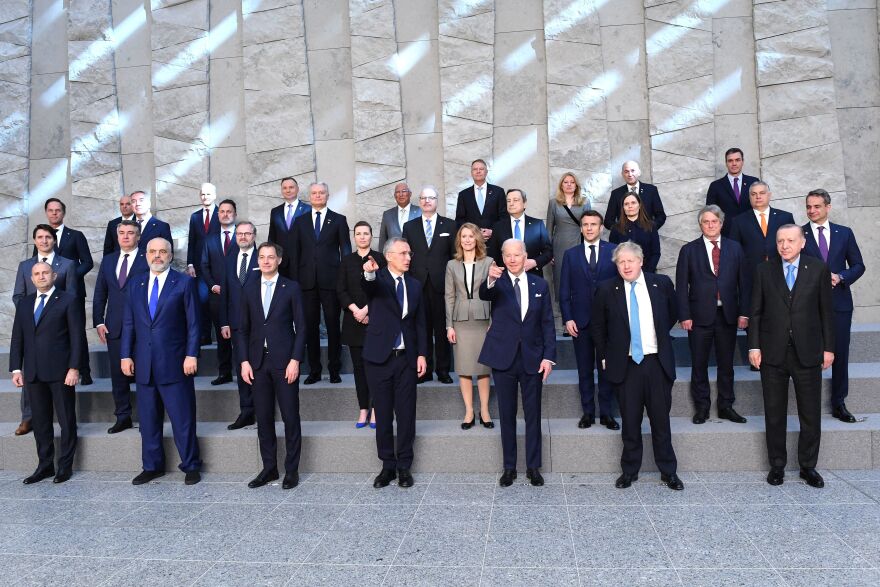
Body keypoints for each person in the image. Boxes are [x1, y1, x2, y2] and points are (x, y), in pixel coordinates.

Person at [592, 241, 683, 491]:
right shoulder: (607, 289)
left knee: (660, 422)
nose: (626, 265)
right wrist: (604, 355)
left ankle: (669, 472)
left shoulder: (660, 284)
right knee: (630, 423)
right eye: (621, 262)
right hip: (626, 365)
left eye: (630, 260)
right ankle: (629, 471)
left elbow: (673, 312)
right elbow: (598, 327)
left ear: (641, 261)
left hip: (656, 363)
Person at [748, 225, 834, 488]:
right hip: (772, 353)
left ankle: (808, 466)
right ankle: (777, 466)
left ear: (802, 242)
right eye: (780, 241)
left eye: (790, 240)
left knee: (810, 413)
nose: (785, 245)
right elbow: (756, 312)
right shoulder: (764, 270)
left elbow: (826, 313)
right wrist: (754, 347)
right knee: (774, 413)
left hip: (808, 352)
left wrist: (828, 348)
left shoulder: (818, 269)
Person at [121, 237, 202, 486]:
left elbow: (194, 324)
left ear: (170, 255)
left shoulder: (184, 283)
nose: (158, 256)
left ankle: (190, 465)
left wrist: (192, 354)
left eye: (163, 252)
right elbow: (129, 323)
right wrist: (125, 354)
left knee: (182, 418)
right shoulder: (135, 283)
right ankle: (152, 466)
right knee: (148, 421)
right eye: (153, 251)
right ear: (146, 255)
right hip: (144, 364)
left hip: (176, 363)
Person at [479, 239, 556, 487]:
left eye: (517, 255)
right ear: (502, 257)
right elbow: (484, 293)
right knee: (507, 414)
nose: (512, 259)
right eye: (507, 255)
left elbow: (547, 324)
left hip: (533, 359)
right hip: (503, 359)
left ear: (525, 256)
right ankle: (509, 467)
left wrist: (548, 357)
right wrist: (490, 278)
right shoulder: (497, 282)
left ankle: (533, 466)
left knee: (533, 415)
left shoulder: (540, 285)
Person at [238, 242, 307, 490]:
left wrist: (295, 360)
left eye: (270, 257)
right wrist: (244, 361)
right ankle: (269, 468)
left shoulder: (291, 288)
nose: (265, 261)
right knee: (264, 418)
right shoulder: (248, 288)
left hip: (284, 362)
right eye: (261, 257)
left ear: (279, 259)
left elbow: (302, 329)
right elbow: (242, 329)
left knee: (290, 417)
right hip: (257, 363)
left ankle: (291, 470)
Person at [361, 237, 428, 489]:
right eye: (403, 253)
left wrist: (422, 354)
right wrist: (368, 274)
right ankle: (387, 466)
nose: (408, 257)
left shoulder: (415, 285)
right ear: (388, 256)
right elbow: (368, 286)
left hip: (407, 359)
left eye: (409, 253)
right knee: (384, 413)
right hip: (379, 358)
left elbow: (420, 322)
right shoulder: (379, 280)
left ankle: (404, 467)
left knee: (407, 415)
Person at [9, 262, 83, 484]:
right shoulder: (24, 303)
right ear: (31, 279)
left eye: (45, 273)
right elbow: (17, 338)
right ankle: (45, 465)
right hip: (33, 373)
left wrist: (74, 367)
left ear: (54, 275)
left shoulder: (68, 300)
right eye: (37, 274)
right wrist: (15, 368)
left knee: (66, 420)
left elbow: (77, 337)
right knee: (40, 422)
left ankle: (65, 466)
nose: (41, 276)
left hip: (61, 372)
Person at [675, 206, 749, 425]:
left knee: (727, 364)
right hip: (698, 317)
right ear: (700, 224)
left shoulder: (735, 248)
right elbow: (681, 287)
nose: (710, 225)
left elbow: (744, 283)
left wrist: (744, 312)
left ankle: (726, 406)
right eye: (705, 222)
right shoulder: (688, 250)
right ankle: (702, 407)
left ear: (721, 223)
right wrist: (684, 315)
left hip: (727, 315)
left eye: (714, 221)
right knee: (699, 364)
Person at [802, 189, 865, 423]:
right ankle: (810, 405)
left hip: (839, 303)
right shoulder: (799, 234)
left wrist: (841, 276)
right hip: (808, 306)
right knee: (810, 354)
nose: (812, 210)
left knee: (839, 353)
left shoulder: (844, 233)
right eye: (808, 206)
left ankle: (839, 403)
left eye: (817, 206)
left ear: (828, 207)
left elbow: (858, 265)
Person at [13, 225, 77, 436]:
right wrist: (29, 318)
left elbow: (71, 297)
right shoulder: (25, 267)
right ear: (34, 240)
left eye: (48, 237)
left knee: (65, 415)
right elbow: (18, 296)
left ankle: (64, 466)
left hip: (58, 341)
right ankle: (28, 417)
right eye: (39, 237)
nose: (44, 240)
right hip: (33, 335)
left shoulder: (66, 265)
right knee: (37, 407)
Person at [559, 210, 619, 430]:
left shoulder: (613, 251)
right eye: (586, 224)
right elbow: (564, 289)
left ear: (601, 227)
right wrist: (568, 318)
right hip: (580, 322)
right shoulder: (571, 254)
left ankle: (606, 413)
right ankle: (587, 413)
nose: (590, 228)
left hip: (608, 323)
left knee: (606, 369)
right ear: (581, 228)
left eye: (594, 224)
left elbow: (619, 287)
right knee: (584, 370)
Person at [289, 182, 351, 384]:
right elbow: (295, 254)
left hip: (331, 282)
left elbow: (346, 253)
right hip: (306, 283)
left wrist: (344, 280)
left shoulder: (339, 220)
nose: (317, 196)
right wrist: (295, 282)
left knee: (333, 326)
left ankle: (334, 369)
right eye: (314, 193)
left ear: (327, 195)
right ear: (310, 196)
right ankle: (314, 370)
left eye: (321, 192)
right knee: (309, 327)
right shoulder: (300, 221)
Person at [93, 220, 148, 434]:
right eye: (122, 233)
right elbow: (100, 293)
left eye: (130, 233)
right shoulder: (108, 261)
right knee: (118, 376)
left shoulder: (147, 258)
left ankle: (147, 416)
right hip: (114, 326)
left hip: (142, 326)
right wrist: (98, 320)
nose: (125, 236)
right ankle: (122, 416)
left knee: (144, 373)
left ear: (138, 236)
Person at [402, 186, 456, 384]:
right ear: (419, 201)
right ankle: (423, 369)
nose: (426, 201)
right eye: (423, 198)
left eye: (430, 198)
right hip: (417, 285)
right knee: (420, 328)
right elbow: (405, 256)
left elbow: (454, 258)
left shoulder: (450, 225)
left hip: (442, 285)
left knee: (442, 328)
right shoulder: (410, 226)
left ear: (437, 200)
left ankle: (443, 370)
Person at [40, 198, 94, 385]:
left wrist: (68, 276)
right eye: (51, 210)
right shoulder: (42, 237)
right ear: (46, 212)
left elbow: (87, 262)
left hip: (72, 293)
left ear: (63, 213)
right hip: (49, 293)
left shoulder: (76, 235)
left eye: (58, 210)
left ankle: (85, 372)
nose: (54, 213)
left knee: (77, 331)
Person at [444, 223, 493, 429]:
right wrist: (449, 326)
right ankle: (469, 412)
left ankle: (484, 411)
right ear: (459, 240)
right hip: (461, 322)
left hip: (484, 321)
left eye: (471, 236)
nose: (467, 240)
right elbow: (449, 296)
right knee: (464, 368)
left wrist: (494, 323)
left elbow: (495, 295)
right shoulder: (451, 265)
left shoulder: (489, 262)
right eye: (463, 236)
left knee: (483, 368)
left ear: (477, 239)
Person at [337, 221, 386, 428]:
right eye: (359, 234)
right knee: (359, 369)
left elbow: (384, 288)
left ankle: (376, 409)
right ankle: (363, 409)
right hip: (353, 321)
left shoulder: (381, 259)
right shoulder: (346, 261)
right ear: (354, 237)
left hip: (375, 321)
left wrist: (366, 310)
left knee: (376, 367)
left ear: (371, 236)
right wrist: (356, 310)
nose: (362, 237)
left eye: (366, 233)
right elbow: (340, 289)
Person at [219, 221, 260, 430]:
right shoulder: (229, 259)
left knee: (260, 365)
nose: (243, 237)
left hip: (260, 323)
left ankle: (262, 410)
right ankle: (246, 411)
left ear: (254, 235)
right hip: (235, 323)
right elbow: (225, 292)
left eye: (247, 234)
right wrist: (224, 322)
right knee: (241, 365)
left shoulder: (263, 257)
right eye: (239, 234)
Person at [200, 199, 238, 386]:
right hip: (217, 295)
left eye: (229, 211)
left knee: (241, 334)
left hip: (239, 296)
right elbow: (204, 266)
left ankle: (244, 370)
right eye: (222, 211)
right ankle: (225, 373)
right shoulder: (210, 240)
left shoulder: (243, 236)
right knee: (222, 337)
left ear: (234, 214)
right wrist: (213, 286)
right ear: (218, 215)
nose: (225, 214)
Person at [546, 172, 590, 332]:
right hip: (559, 247)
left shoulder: (584, 202)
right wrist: (548, 253)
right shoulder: (553, 203)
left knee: (579, 282)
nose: (569, 184)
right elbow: (548, 230)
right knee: (561, 283)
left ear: (576, 185)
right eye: (566, 182)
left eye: (572, 182)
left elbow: (589, 226)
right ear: (561, 185)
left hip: (579, 245)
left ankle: (580, 320)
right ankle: (566, 322)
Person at [728, 181, 795, 279]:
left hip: (782, 273)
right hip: (751, 275)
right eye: (753, 194)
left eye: (762, 193)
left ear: (769, 195)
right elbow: (733, 251)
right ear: (749, 197)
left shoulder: (785, 217)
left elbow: (794, 245)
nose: (758, 196)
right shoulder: (738, 221)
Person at [487, 189, 552, 277]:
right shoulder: (498, 227)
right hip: (506, 278)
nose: (511, 203)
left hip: (532, 276)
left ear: (524, 203)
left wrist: (534, 262)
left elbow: (548, 252)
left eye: (515, 200)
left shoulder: (537, 224)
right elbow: (492, 254)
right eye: (508, 201)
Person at [187, 183, 220, 344]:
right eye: (202, 194)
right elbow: (191, 242)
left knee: (219, 302)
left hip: (218, 266)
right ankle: (205, 335)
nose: (205, 197)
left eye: (208, 194)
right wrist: (190, 264)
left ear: (214, 195)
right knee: (201, 301)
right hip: (200, 268)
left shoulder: (222, 213)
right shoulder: (195, 217)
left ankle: (223, 334)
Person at [705, 148, 760, 237]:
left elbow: (760, 206)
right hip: (726, 235)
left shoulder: (753, 182)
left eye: (737, 160)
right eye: (730, 161)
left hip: (751, 233)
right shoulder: (715, 186)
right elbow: (710, 213)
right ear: (726, 163)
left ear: (742, 161)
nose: (734, 163)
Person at [604, 161, 666, 230]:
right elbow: (608, 221)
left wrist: (650, 229)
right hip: (625, 238)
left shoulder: (651, 190)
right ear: (622, 174)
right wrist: (619, 232)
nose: (630, 174)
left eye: (633, 170)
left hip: (648, 237)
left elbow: (661, 216)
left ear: (639, 172)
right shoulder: (616, 194)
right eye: (626, 171)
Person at [268, 177, 311, 277]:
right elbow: (272, 238)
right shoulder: (275, 212)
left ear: (297, 189)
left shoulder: (308, 210)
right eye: (285, 188)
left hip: (303, 263)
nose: (288, 190)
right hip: (281, 263)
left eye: (291, 187)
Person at [608, 192, 661, 273]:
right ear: (623, 208)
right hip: (624, 274)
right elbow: (614, 255)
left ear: (639, 205)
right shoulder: (616, 229)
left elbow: (656, 253)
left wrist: (647, 273)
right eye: (626, 204)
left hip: (647, 273)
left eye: (633, 203)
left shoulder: (651, 226)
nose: (630, 206)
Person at [455, 158, 506, 240]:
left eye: (481, 169)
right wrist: (474, 232)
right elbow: (459, 220)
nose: (478, 171)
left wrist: (493, 231)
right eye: (475, 169)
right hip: (472, 241)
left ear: (486, 172)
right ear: (471, 173)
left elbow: (504, 217)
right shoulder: (463, 195)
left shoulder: (498, 192)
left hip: (494, 240)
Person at [378, 183, 420, 252]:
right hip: (394, 259)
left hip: (415, 258)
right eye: (397, 192)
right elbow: (383, 240)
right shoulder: (387, 215)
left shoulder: (420, 212)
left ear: (410, 194)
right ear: (395, 196)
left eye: (404, 191)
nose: (401, 194)